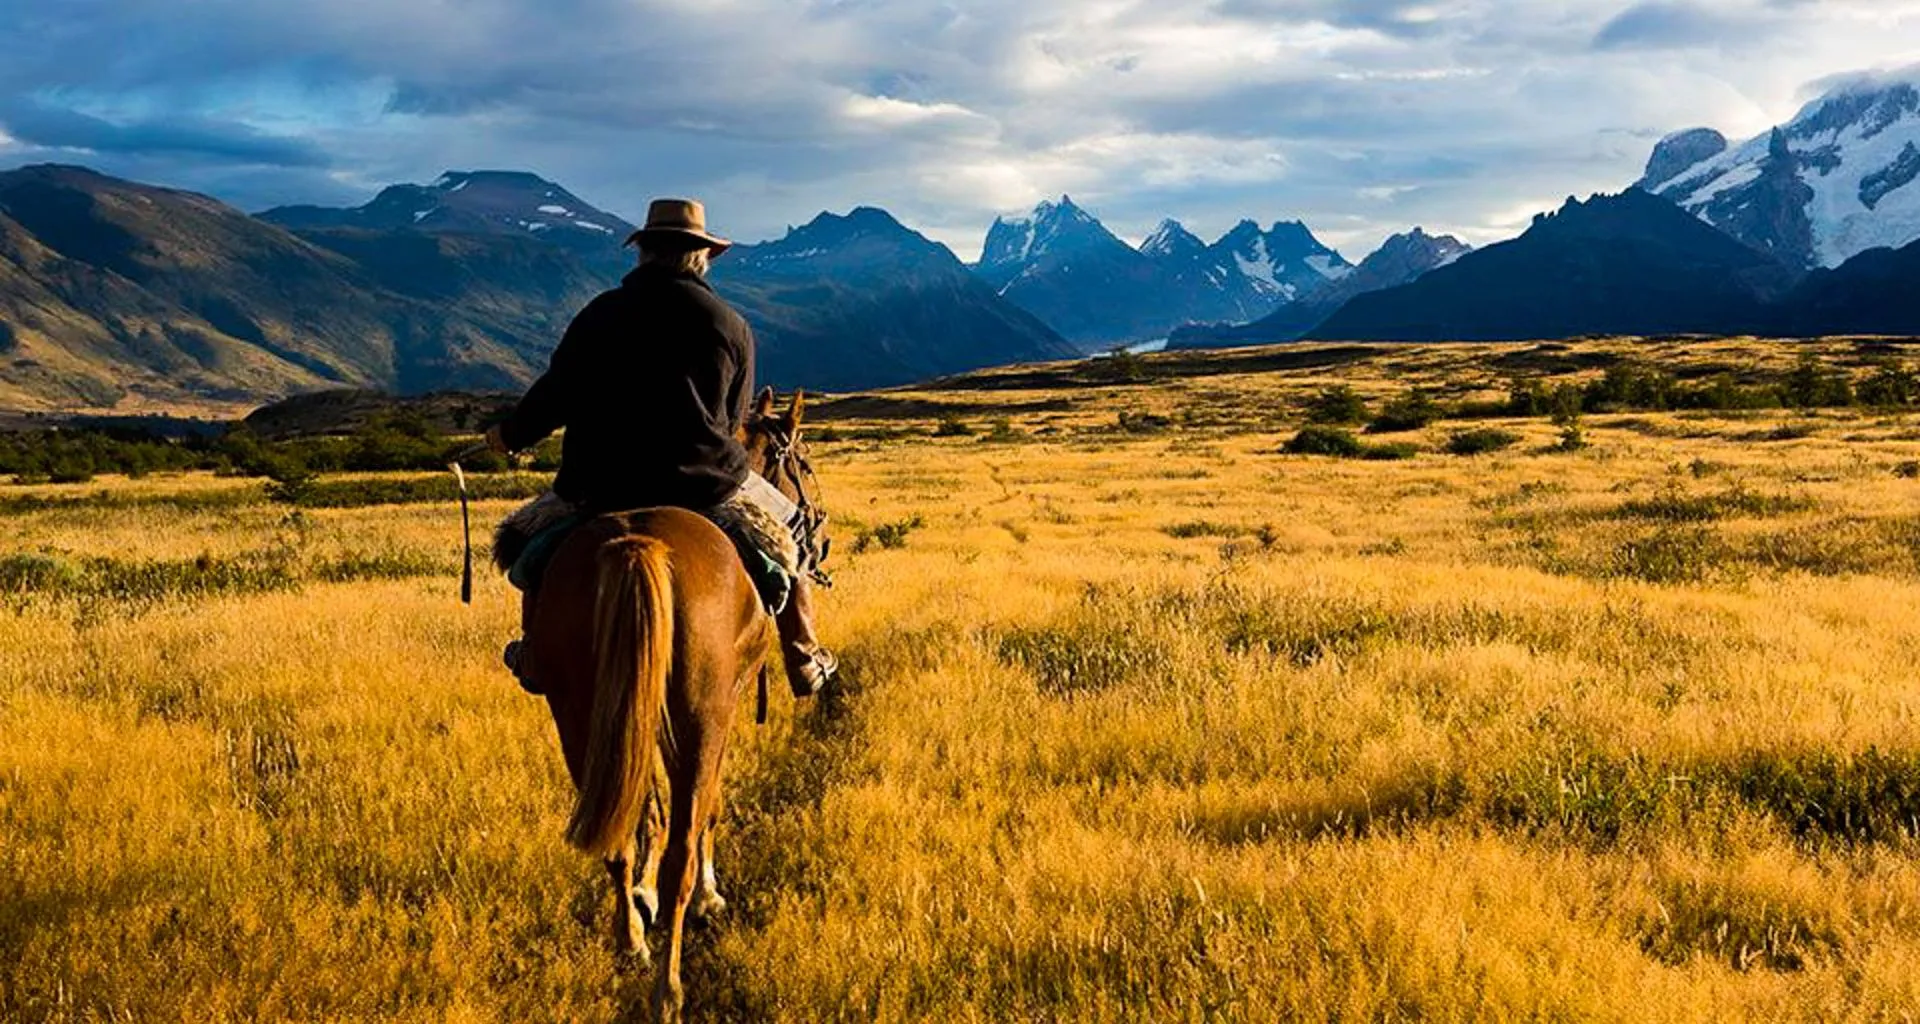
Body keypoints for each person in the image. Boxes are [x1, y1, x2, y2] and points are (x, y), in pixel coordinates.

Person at [484, 197, 837, 696]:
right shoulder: (729, 324)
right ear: (702, 256)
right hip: (705, 486)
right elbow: (733, 419)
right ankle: (803, 655)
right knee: (790, 533)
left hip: (597, 486)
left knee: (525, 542)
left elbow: (556, 393)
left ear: (644, 253)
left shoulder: (598, 315)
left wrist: (508, 436)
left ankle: (536, 650)